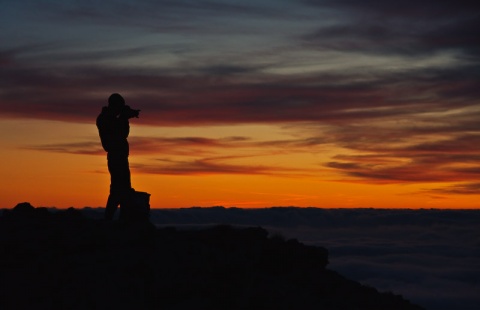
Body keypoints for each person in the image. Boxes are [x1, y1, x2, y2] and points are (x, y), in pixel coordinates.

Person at [96, 93, 140, 220]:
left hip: (121, 157)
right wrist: (123, 118)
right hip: (115, 157)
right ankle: (110, 219)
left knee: (123, 190)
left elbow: (123, 133)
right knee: (118, 190)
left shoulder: (112, 118)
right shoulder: (104, 118)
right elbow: (118, 134)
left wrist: (124, 117)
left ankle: (120, 219)